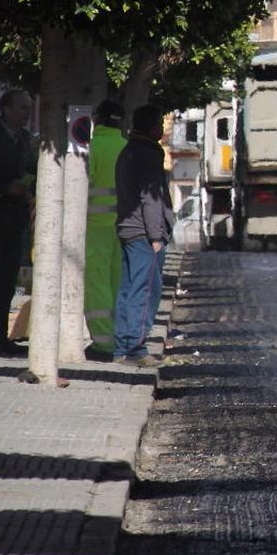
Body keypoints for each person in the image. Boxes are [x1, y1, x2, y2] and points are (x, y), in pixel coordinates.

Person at [112, 104, 173, 369]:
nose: (162, 128)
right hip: (144, 235)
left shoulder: (127, 151)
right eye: (160, 123)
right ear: (152, 128)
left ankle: (122, 348)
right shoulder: (148, 154)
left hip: (129, 230)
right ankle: (136, 349)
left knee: (128, 290)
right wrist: (156, 235)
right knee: (146, 291)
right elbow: (151, 199)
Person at [0, 89, 34, 357]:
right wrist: (5, 189)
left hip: (15, 219)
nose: (27, 113)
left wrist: (28, 189)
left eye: (28, 108)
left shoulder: (25, 139)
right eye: (22, 108)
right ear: (6, 109)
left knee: (7, 281)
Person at [84, 100, 127, 355]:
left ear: (96, 119)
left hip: (95, 226)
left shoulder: (92, 147)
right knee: (117, 281)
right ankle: (119, 338)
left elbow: (82, 185)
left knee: (96, 282)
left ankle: (103, 341)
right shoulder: (126, 147)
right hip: (122, 227)